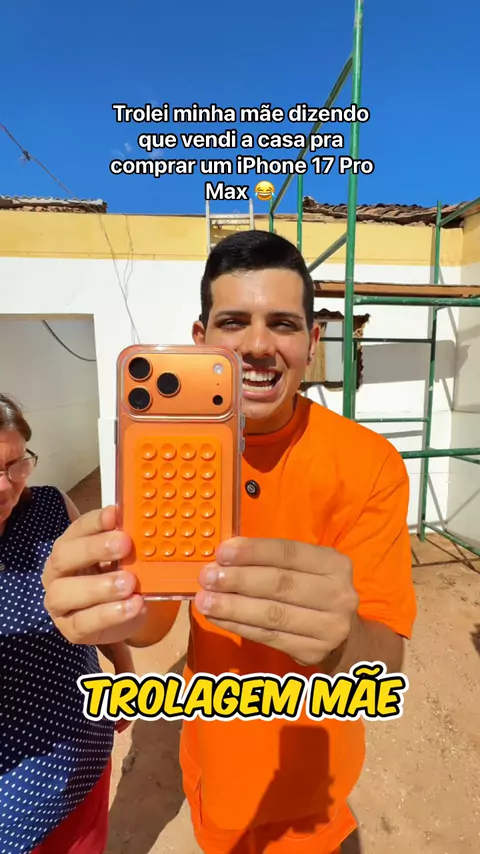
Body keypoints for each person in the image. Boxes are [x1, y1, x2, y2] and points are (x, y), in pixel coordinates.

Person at [41, 230, 417, 854]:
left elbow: (387, 661)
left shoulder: (368, 463)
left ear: (313, 342)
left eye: (283, 324)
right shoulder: (170, 455)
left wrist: (346, 639)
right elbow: (153, 623)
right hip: (209, 779)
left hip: (314, 803)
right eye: (234, 321)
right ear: (202, 339)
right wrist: (111, 602)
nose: (259, 345)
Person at [0, 393, 134, 854]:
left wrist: (124, 671)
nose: (5, 486)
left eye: (16, 465)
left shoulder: (51, 508)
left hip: (87, 754)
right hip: (15, 812)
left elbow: (97, 597)